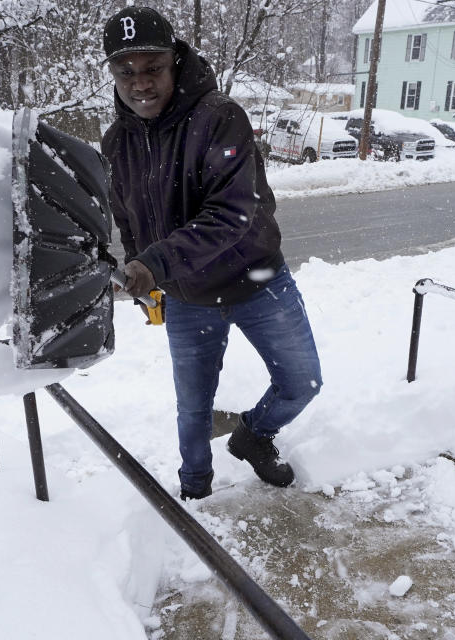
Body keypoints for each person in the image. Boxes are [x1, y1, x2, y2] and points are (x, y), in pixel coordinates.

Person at [100, 7, 322, 500]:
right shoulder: (116, 143)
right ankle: (195, 493)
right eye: (126, 72)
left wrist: (153, 262)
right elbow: (128, 220)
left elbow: (231, 213)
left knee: (301, 383)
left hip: (257, 280)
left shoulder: (220, 118)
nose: (141, 83)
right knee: (193, 408)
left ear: (175, 61)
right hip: (185, 296)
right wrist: (146, 278)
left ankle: (253, 435)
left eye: (152, 67)